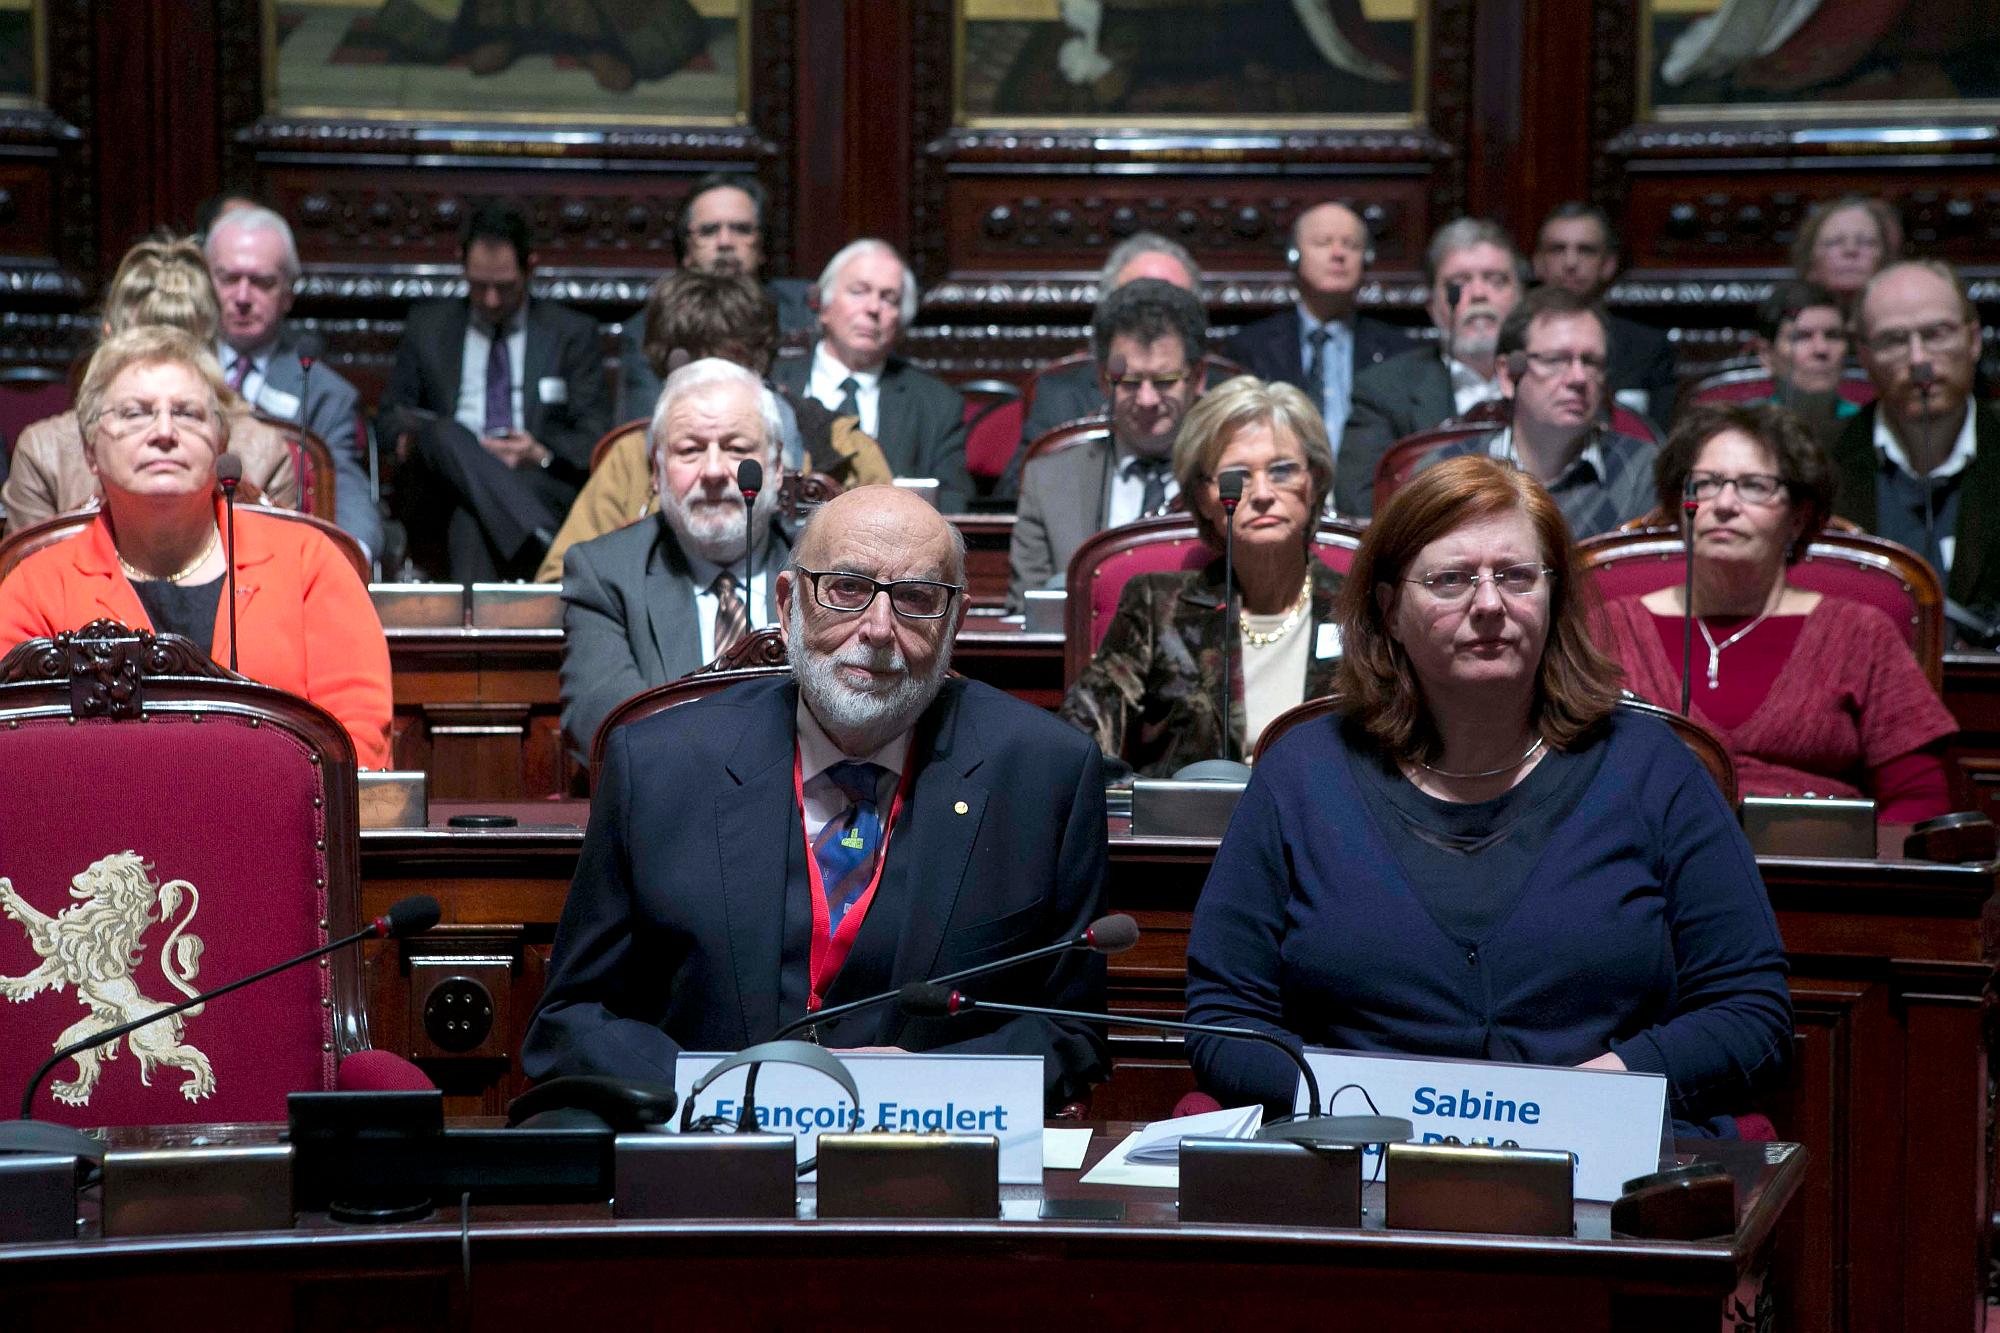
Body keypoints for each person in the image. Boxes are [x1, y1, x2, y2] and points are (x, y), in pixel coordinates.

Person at [1183, 454, 1792, 1135]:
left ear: (1553, 595)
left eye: (1515, 576)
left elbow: (1751, 1010)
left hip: (1605, 1177)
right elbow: (1223, 1019)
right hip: (1352, 1171)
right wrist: (1367, 1098)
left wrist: (1591, 1094)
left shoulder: (1653, 769)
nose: (1489, 604)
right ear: (1389, 609)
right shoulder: (1302, 772)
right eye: (1449, 579)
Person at [523, 485, 1110, 1109]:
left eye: (916, 600)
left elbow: (1072, 1031)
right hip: (713, 1164)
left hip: (933, 1168)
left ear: (955, 624)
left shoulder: (1044, 773)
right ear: (788, 602)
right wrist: (721, 1089)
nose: (879, 629)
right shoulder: (661, 766)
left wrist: (921, 1083)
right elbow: (569, 1020)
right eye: (847, 588)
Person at [0, 327, 391, 769]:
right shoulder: (36, 586)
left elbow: (358, 743)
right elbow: (15, 754)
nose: (164, 432)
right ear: (91, 450)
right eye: (135, 413)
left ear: (220, 442)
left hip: (279, 828)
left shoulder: (308, 563)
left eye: (187, 413)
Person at [1597, 403, 1954, 822]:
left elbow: (1919, 801)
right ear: (1680, 504)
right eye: (1706, 484)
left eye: (1754, 486)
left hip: (1819, 875)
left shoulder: (1860, 633)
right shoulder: (1611, 628)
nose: (1724, 504)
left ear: (1799, 516)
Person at [1059, 377, 1344, 776]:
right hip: (1190, 831)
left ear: (1313, 482)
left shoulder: (1362, 608)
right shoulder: (1158, 607)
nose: (1261, 493)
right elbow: (1080, 738)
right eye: (1237, 477)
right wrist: (1148, 803)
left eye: (1281, 471)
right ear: (1203, 498)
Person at [536, 270, 890, 582]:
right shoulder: (632, 456)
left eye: (726, 365)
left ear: (757, 363)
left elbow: (896, 574)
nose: (710, 386)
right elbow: (560, 582)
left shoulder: (845, 450)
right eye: (694, 372)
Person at [558, 359, 792, 763]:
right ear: (656, 470)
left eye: (737, 449)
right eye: (690, 450)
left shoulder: (824, 571)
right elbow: (604, 721)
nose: (715, 471)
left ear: (775, 468)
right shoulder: (605, 572)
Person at [3, 236, 299, 538]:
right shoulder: (45, 452)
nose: (164, 433)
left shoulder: (264, 452)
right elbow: (27, 574)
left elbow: (280, 569)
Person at [378, 203, 611, 580]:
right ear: (461, 264)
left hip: (532, 482)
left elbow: (594, 433)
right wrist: (455, 449)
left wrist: (540, 452)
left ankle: (480, 638)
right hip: (437, 489)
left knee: (473, 514)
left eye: (504, 287)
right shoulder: (429, 327)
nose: (490, 300)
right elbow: (388, 421)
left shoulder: (569, 333)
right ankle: (542, 540)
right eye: (478, 285)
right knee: (443, 433)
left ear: (529, 267)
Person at [1828, 259, 2000, 644]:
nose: (1919, 359)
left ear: (1973, 341)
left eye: (1936, 334)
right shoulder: (1820, 466)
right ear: (1865, 356)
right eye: (1893, 340)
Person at [1008, 279, 1207, 607]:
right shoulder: (1049, 482)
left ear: (1198, 378)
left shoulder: (1235, 476)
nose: (1146, 400)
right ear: (1103, 380)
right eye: (1128, 382)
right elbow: (1027, 613)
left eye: (1165, 381)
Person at [205, 205, 383, 564]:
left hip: (276, 563)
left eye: (261, 282)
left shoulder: (323, 394)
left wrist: (350, 558)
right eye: (228, 279)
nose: (242, 296)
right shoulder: (171, 372)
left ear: (287, 294)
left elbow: (347, 492)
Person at [1420, 287, 1658, 538]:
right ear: (1508, 373)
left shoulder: (1643, 470)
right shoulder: (1446, 470)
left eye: (1590, 362)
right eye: (1556, 360)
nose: (1578, 378)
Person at [1335, 218, 1525, 517]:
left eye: (1496, 280)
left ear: (1520, 297)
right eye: (1458, 283)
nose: (1478, 294)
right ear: (1433, 306)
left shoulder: (1553, 378)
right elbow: (1358, 502)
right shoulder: (1384, 389)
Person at [771, 240, 971, 511]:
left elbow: (952, 506)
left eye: (889, 298)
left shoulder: (936, 404)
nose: (873, 308)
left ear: (901, 322)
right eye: (859, 291)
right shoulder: (771, 382)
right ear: (822, 305)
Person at [615, 173, 817, 421]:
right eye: (709, 231)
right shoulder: (646, 329)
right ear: (686, 250)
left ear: (762, 246)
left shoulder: (805, 311)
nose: (725, 242)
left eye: (741, 229)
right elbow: (646, 426)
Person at [1224, 202, 1409, 449]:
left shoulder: (1399, 351)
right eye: (1323, 242)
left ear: (1366, 260)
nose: (1338, 254)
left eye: (1351, 245)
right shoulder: (1249, 348)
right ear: (1294, 256)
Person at [1530, 202, 1678, 425]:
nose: (1570, 263)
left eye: (1586, 250)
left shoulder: (1647, 348)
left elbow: (1659, 438)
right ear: (1537, 263)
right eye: (1558, 249)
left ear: (1608, 264)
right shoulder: (1516, 338)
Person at [1746, 278, 1858, 446]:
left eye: (1833, 336)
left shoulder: (1869, 429)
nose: (1821, 349)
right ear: (1766, 355)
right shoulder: (1747, 431)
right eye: (1802, 337)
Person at [1791, 195, 1902, 305]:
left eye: (1866, 241)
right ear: (1810, 259)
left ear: (1885, 256)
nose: (1850, 250)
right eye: (1834, 242)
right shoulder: (1784, 311)